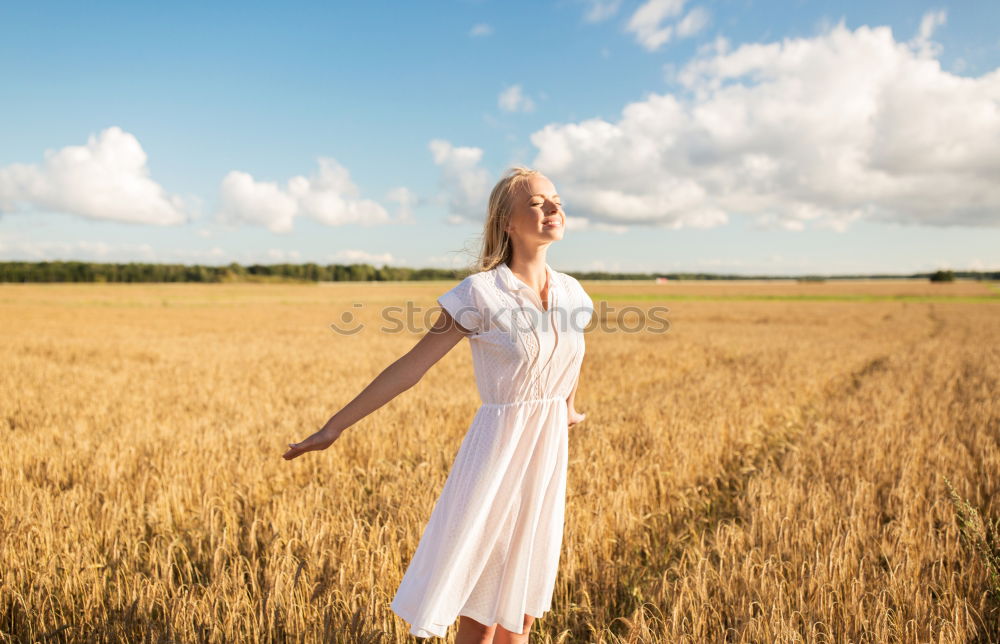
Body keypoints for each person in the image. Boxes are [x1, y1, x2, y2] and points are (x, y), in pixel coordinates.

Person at [283, 166, 594, 642]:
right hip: (498, 452)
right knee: (483, 604)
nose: (554, 209)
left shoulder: (572, 291)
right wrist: (334, 426)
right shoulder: (481, 292)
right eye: (537, 203)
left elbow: (570, 352)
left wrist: (567, 407)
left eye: (556, 199)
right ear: (507, 222)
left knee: (523, 609)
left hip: (546, 453)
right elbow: (411, 367)